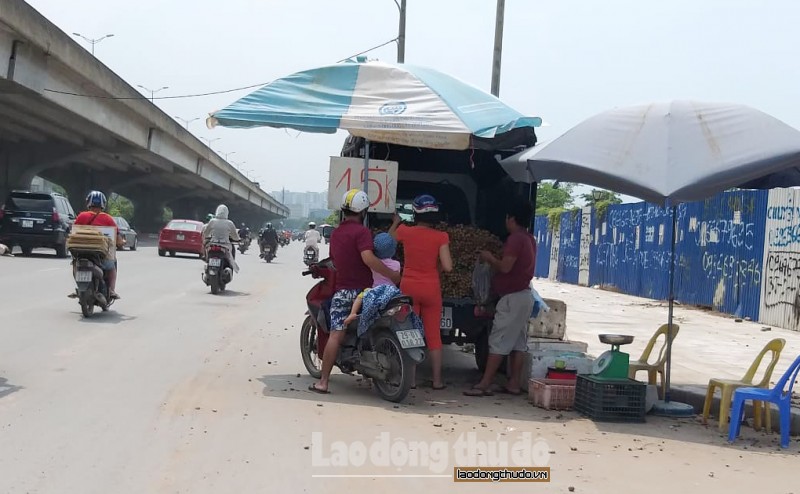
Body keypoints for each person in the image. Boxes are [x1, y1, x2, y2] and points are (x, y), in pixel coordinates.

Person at [308, 189, 402, 394]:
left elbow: (334, 261)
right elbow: (368, 258)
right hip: (366, 292)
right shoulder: (362, 232)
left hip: (344, 293)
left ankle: (323, 382)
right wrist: (392, 275)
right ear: (364, 211)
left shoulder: (337, 234)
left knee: (335, 334)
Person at [464, 199, 537, 397]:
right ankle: (513, 384)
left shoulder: (515, 239)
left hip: (512, 299)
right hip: (524, 296)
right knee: (518, 343)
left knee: (499, 341)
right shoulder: (530, 238)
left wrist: (489, 258)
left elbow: (505, 267)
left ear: (511, 218)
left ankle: (485, 384)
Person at [389, 194, 453, 390]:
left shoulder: (405, 232)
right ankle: (437, 381)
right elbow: (448, 266)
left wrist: (396, 222)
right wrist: (434, 271)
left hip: (409, 287)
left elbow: (388, 240)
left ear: (415, 212)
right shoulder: (441, 236)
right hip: (431, 288)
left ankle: (412, 380)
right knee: (433, 335)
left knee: (410, 332)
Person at [70, 190, 125, 300]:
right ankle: (111, 290)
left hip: (81, 253)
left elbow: (73, 233)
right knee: (112, 268)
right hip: (101, 256)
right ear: (103, 204)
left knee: (75, 265)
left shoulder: (81, 216)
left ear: (89, 203)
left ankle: (79, 287)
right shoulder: (108, 219)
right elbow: (118, 238)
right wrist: (121, 242)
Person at [202, 204, 240, 271]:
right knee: (232, 251)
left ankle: (206, 259)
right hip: (225, 245)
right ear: (227, 213)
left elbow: (206, 233)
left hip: (213, 243)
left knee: (206, 247)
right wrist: (237, 239)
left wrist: (208, 237)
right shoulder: (229, 223)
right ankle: (230, 266)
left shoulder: (212, 221)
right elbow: (235, 236)